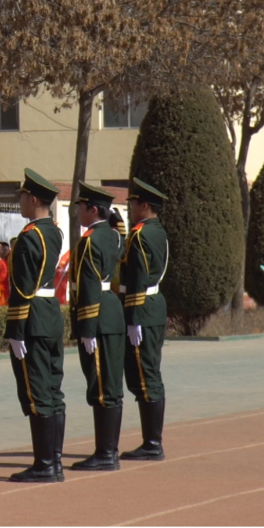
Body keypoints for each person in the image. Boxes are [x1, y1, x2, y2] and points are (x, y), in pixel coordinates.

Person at [5, 170, 66, 483]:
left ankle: (44, 464)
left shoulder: (29, 237)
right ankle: (54, 460)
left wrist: (15, 330)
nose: (20, 202)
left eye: (22, 196)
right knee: (53, 391)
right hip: (51, 314)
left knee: (38, 392)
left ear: (34, 199)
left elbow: (22, 287)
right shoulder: (54, 232)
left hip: (32, 318)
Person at [69, 182, 125, 471]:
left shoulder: (89, 241)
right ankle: (110, 450)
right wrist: (116, 219)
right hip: (113, 312)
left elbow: (88, 286)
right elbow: (123, 240)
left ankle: (105, 453)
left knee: (101, 385)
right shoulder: (115, 237)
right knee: (112, 383)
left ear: (93, 210)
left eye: (81, 206)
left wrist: (86, 328)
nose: (77, 211)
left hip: (98, 316)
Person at [120, 178, 170, 461]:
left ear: (144, 205)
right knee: (150, 372)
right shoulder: (157, 231)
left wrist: (133, 318)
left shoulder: (140, 235)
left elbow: (138, 278)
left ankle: (152, 443)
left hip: (142, 308)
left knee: (145, 375)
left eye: (133, 204)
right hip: (154, 305)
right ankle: (152, 441)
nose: (131, 209)